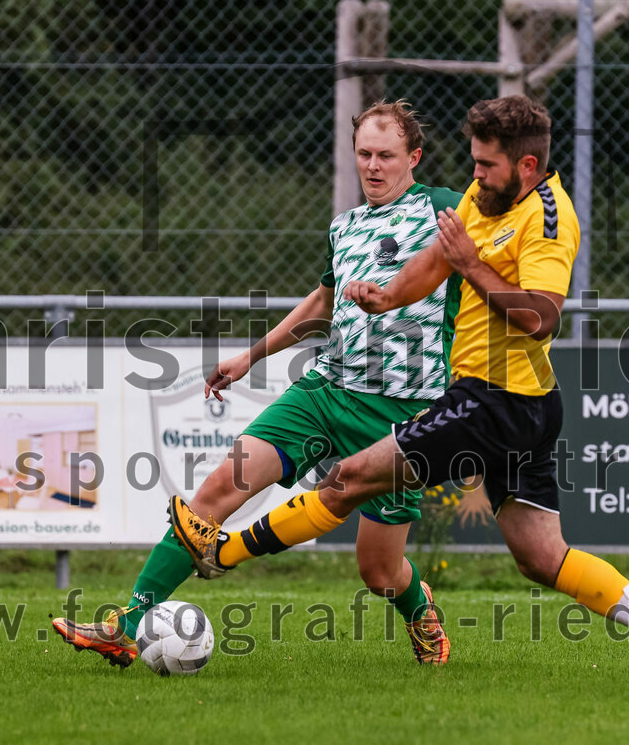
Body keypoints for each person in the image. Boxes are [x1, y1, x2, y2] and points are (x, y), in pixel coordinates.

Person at [171, 95, 629, 693]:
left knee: (348, 479)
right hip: (523, 404)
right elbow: (436, 262)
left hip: (494, 402)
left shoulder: (549, 217)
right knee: (542, 558)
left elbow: (542, 318)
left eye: (486, 164)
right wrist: (386, 296)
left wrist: (474, 266)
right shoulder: (483, 198)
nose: (475, 174)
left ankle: (223, 553)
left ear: (528, 166)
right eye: (474, 161)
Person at [53, 99, 462, 666]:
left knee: (379, 572)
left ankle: (419, 610)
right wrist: (252, 356)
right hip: (324, 392)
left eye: (386, 156)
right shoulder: (344, 227)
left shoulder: (444, 209)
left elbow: (500, 237)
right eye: (364, 153)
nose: (372, 166)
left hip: (400, 412)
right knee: (218, 489)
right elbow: (322, 303)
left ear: (413, 157)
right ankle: (125, 624)